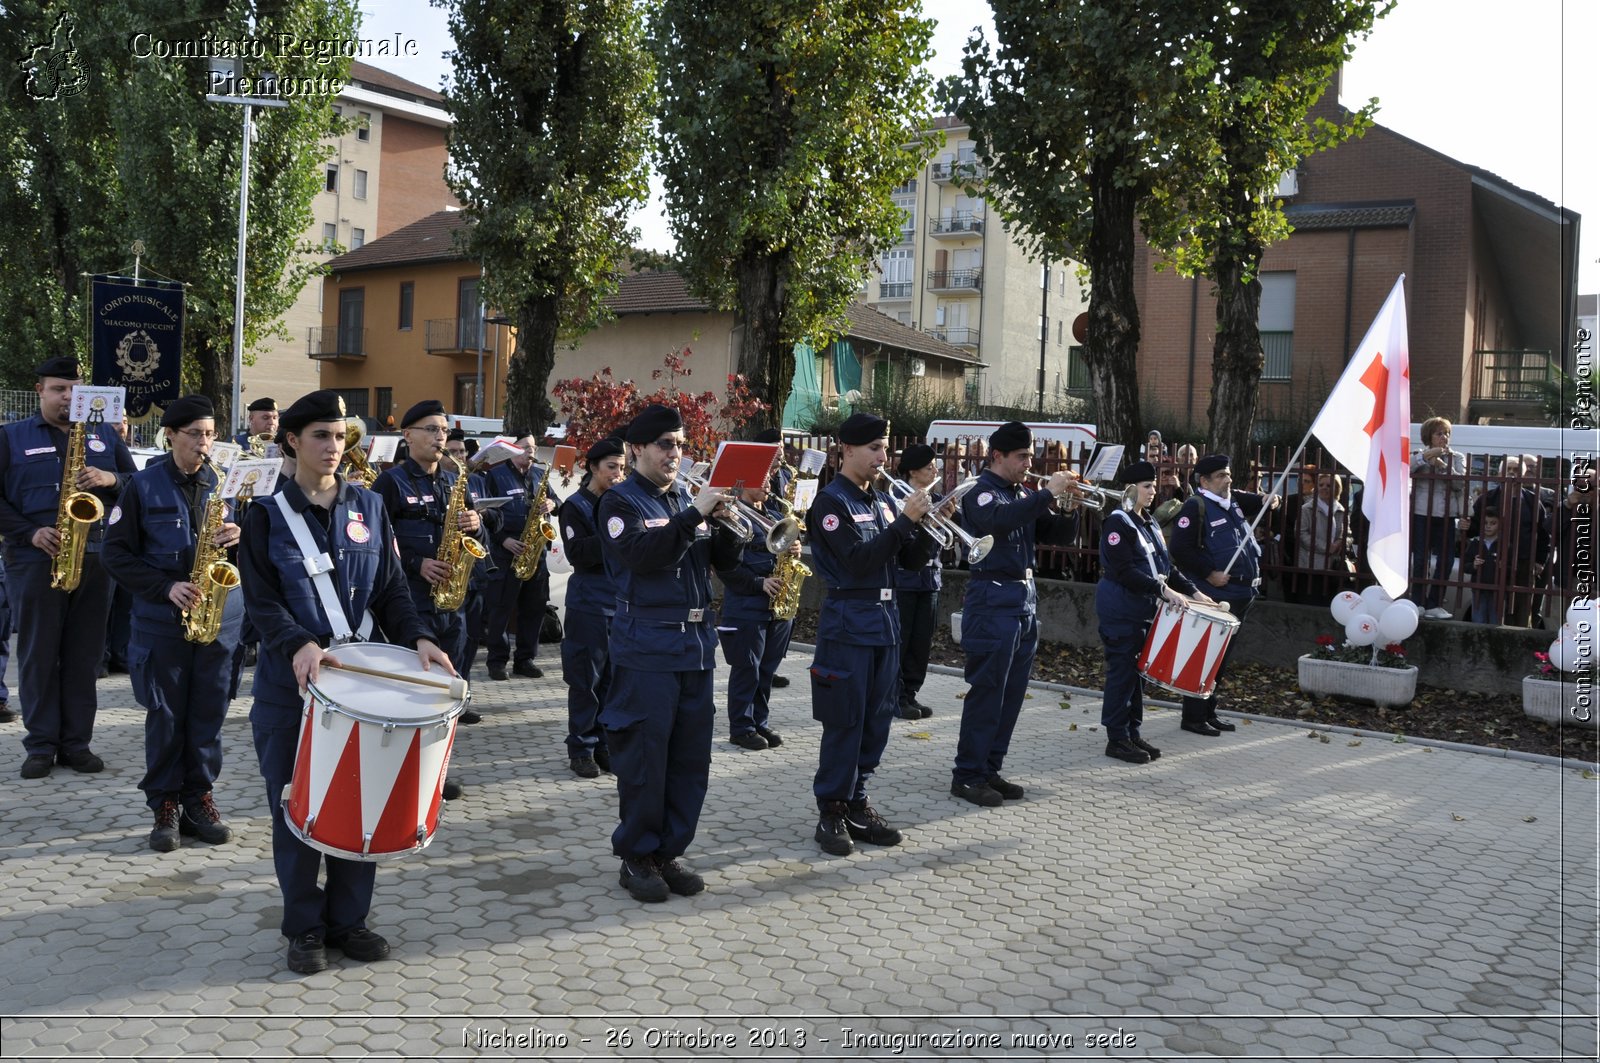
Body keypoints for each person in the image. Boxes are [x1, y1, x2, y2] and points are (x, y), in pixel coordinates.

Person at [239, 389, 453, 974]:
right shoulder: (265, 515)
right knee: (298, 809)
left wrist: (420, 639)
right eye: (320, 437)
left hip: (361, 683)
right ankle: (304, 927)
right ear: (292, 441)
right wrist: (298, 644)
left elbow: (391, 590)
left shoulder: (367, 507)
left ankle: (350, 920)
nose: (333, 448)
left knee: (365, 801)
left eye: (339, 437)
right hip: (294, 689)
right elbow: (260, 600)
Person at [598, 404, 744, 901]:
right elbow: (643, 557)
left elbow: (721, 565)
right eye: (664, 444)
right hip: (647, 646)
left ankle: (668, 851)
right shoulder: (620, 503)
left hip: (696, 647)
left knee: (689, 759)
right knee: (644, 757)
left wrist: (725, 527)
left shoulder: (687, 498)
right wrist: (695, 515)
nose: (674, 453)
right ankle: (636, 855)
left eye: (680, 443)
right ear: (637, 448)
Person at [101, 395, 244, 851]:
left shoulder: (222, 486)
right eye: (196, 434)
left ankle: (198, 799)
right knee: (165, 717)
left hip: (215, 621)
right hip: (163, 623)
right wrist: (166, 588)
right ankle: (164, 805)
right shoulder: (142, 486)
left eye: (210, 434)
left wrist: (238, 537)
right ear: (171, 436)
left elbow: (250, 555)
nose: (205, 443)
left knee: (207, 716)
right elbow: (115, 554)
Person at [806, 411, 937, 854]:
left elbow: (909, 562)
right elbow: (856, 562)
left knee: (877, 720)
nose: (884, 456)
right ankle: (831, 811)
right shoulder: (831, 503)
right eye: (875, 449)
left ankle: (858, 800)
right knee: (846, 719)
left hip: (885, 621)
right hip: (849, 621)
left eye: (885, 448)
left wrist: (929, 527)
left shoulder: (880, 501)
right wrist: (904, 523)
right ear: (847, 450)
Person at [0, 356, 136, 779]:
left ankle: (77, 743)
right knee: (39, 654)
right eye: (59, 389)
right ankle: (40, 745)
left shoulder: (102, 435)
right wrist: (28, 533)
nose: (68, 397)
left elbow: (137, 486)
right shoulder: (10, 437)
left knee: (85, 655)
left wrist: (110, 479)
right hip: (35, 559)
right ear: (39, 390)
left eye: (75, 389)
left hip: (95, 558)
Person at [951, 422, 1079, 806]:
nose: (1029, 463)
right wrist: (1047, 492)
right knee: (988, 692)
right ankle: (968, 775)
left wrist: (1069, 506)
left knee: (1011, 694)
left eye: (1029, 456)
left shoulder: (1020, 493)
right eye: (1022, 457)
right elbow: (999, 521)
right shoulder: (980, 491)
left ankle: (990, 769)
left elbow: (1057, 534)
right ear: (998, 456)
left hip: (1022, 601)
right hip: (992, 600)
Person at [1096, 460, 1213, 763]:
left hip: (1145, 610)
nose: (1153, 491)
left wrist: (1196, 592)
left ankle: (1132, 733)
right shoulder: (1117, 523)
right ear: (1130, 489)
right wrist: (1164, 591)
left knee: (1138, 676)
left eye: (1153, 486)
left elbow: (1166, 567)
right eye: (1147, 487)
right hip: (1122, 610)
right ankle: (1117, 738)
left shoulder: (1148, 521)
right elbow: (1124, 571)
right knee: (1122, 674)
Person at [1170, 453, 1278, 737]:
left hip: (1242, 592)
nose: (1227, 479)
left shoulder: (1233, 500)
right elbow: (1180, 550)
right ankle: (1193, 717)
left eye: (1228, 474)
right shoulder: (1197, 506)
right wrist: (1209, 573)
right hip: (1215, 593)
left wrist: (1270, 499)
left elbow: (1265, 501)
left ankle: (1208, 711)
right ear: (1204, 481)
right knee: (1205, 655)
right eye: (1220, 476)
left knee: (1221, 658)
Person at [713, 469, 799, 751]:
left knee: (766, 669)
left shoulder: (774, 513)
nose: (768, 484)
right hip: (747, 603)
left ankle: (759, 721)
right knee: (746, 669)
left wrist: (794, 549)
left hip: (777, 604)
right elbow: (725, 568)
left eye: (769, 479)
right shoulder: (732, 515)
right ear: (745, 483)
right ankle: (741, 727)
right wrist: (757, 583)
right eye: (761, 479)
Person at [558, 434, 625, 778]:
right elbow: (579, 554)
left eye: (623, 468)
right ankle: (581, 747)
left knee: (613, 680)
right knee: (586, 679)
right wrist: (616, 535)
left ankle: (603, 745)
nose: (618, 474)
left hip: (618, 603)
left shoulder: (621, 503)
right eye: (611, 467)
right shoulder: (576, 506)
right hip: (589, 603)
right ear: (593, 469)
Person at [482, 435, 551, 681]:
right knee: (501, 609)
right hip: (506, 552)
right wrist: (503, 540)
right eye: (524, 448)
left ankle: (525, 659)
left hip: (535, 554)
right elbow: (486, 514)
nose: (530, 452)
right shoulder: (496, 475)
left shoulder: (539, 475)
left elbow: (557, 502)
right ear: (511, 450)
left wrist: (551, 504)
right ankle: (497, 661)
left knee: (534, 608)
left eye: (533, 448)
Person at [1467, 456, 1549, 628]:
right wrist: (1465, 525)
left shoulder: (1533, 502)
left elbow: (1543, 535)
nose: (1512, 473)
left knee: (1520, 610)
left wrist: (1540, 560)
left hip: (1523, 563)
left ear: (1524, 475)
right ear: (1499, 474)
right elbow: (1474, 529)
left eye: (1516, 470)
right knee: (1490, 610)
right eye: (1508, 470)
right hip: (1490, 562)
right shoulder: (1487, 499)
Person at [892, 444, 942, 720]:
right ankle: (895, 696)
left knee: (921, 644)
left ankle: (910, 693)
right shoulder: (899, 497)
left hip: (930, 580)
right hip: (906, 580)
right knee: (903, 641)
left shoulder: (936, 497)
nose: (935, 470)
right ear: (913, 471)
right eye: (928, 467)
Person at [445, 430, 491, 701]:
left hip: (474, 572)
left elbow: (488, 525)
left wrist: (480, 520)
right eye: (454, 452)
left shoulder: (474, 482)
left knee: (472, 638)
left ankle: (464, 694)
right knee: (455, 639)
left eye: (462, 452)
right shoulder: (441, 483)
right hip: (449, 575)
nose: (460, 457)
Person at [1409, 416, 1466, 619]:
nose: (1444, 437)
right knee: (1420, 559)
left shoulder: (1457, 457)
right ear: (1429, 436)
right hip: (1421, 513)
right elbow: (1405, 469)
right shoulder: (1417, 454)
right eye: (1439, 433)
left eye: (1447, 433)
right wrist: (1425, 458)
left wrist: (1441, 465)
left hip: (1446, 515)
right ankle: (1417, 601)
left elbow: (1460, 484)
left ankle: (1434, 603)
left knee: (1446, 560)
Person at [1296, 473, 1351, 606]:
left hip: (1333, 565)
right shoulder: (1307, 509)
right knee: (1313, 601)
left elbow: (1348, 535)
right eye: (1321, 485)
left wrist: (1340, 543)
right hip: (1311, 564)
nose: (1324, 488)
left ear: (1337, 488)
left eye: (1329, 485)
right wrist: (1326, 547)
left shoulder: (1341, 510)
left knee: (1330, 602)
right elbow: (1301, 534)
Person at [1463, 511, 1502, 625]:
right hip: (1478, 589)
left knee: (1495, 622)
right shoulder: (1475, 543)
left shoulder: (1504, 544)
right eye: (1485, 523)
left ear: (1500, 525)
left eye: (1493, 523)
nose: (1488, 526)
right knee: (1478, 621)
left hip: (1497, 590)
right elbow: (1465, 566)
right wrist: (1474, 565)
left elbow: (1512, 568)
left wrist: (1503, 567)